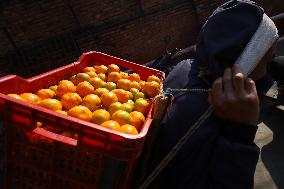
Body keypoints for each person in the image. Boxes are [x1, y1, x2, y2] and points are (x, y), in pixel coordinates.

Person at [145, 0, 279, 188]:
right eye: (266, 60)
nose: (266, 72)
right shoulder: (203, 115)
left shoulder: (187, 67)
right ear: (243, 66)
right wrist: (240, 132)